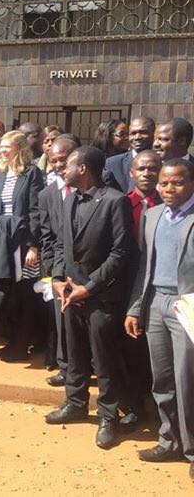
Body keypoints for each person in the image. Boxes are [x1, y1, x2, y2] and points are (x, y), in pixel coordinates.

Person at [45, 146, 131, 451]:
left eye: (68, 164)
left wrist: (90, 287)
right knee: (75, 354)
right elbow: (60, 243)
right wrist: (57, 279)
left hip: (100, 296)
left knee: (104, 358)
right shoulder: (69, 199)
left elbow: (121, 253)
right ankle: (75, 403)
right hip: (70, 293)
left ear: (83, 168)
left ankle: (109, 417)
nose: (62, 168)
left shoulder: (114, 201)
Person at [126, 159, 194, 482]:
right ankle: (169, 440)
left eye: (177, 183)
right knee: (162, 379)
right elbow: (144, 265)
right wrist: (135, 307)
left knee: (187, 382)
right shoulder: (152, 216)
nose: (168, 189)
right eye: (164, 184)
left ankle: (192, 450)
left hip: (187, 307)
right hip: (155, 304)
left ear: (191, 183)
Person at [0, 130, 45, 360]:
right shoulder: (0, 174)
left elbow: (36, 212)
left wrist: (33, 246)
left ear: (20, 148)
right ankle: (11, 342)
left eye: (8, 146)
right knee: (8, 293)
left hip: (23, 244)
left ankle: (21, 346)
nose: (3, 150)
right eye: (2, 146)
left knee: (25, 294)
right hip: (2, 244)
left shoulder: (31, 174)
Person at [120, 150, 163, 427]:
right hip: (127, 288)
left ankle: (164, 413)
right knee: (130, 350)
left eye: (152, 168)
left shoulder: (172, 205)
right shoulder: (120, 204)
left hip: (161, 288)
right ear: (131, 173)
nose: (147, 173)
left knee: (160, 354)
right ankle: (134, 406)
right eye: (141, 168)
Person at [38, 137, 79, 387]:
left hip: (88, 273)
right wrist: (55, 274)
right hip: (59, 271)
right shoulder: (46, 194)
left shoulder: (95, 189)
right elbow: (47, 236)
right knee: (61, 320)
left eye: (63, 159)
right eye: (53, 160)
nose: (58, 165)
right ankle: (65, 367)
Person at [104, 116, 155, 193]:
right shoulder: (113, 163)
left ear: (154, 133)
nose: (137, 137)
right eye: (133, 133)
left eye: (143, 132)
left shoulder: (164, 162)